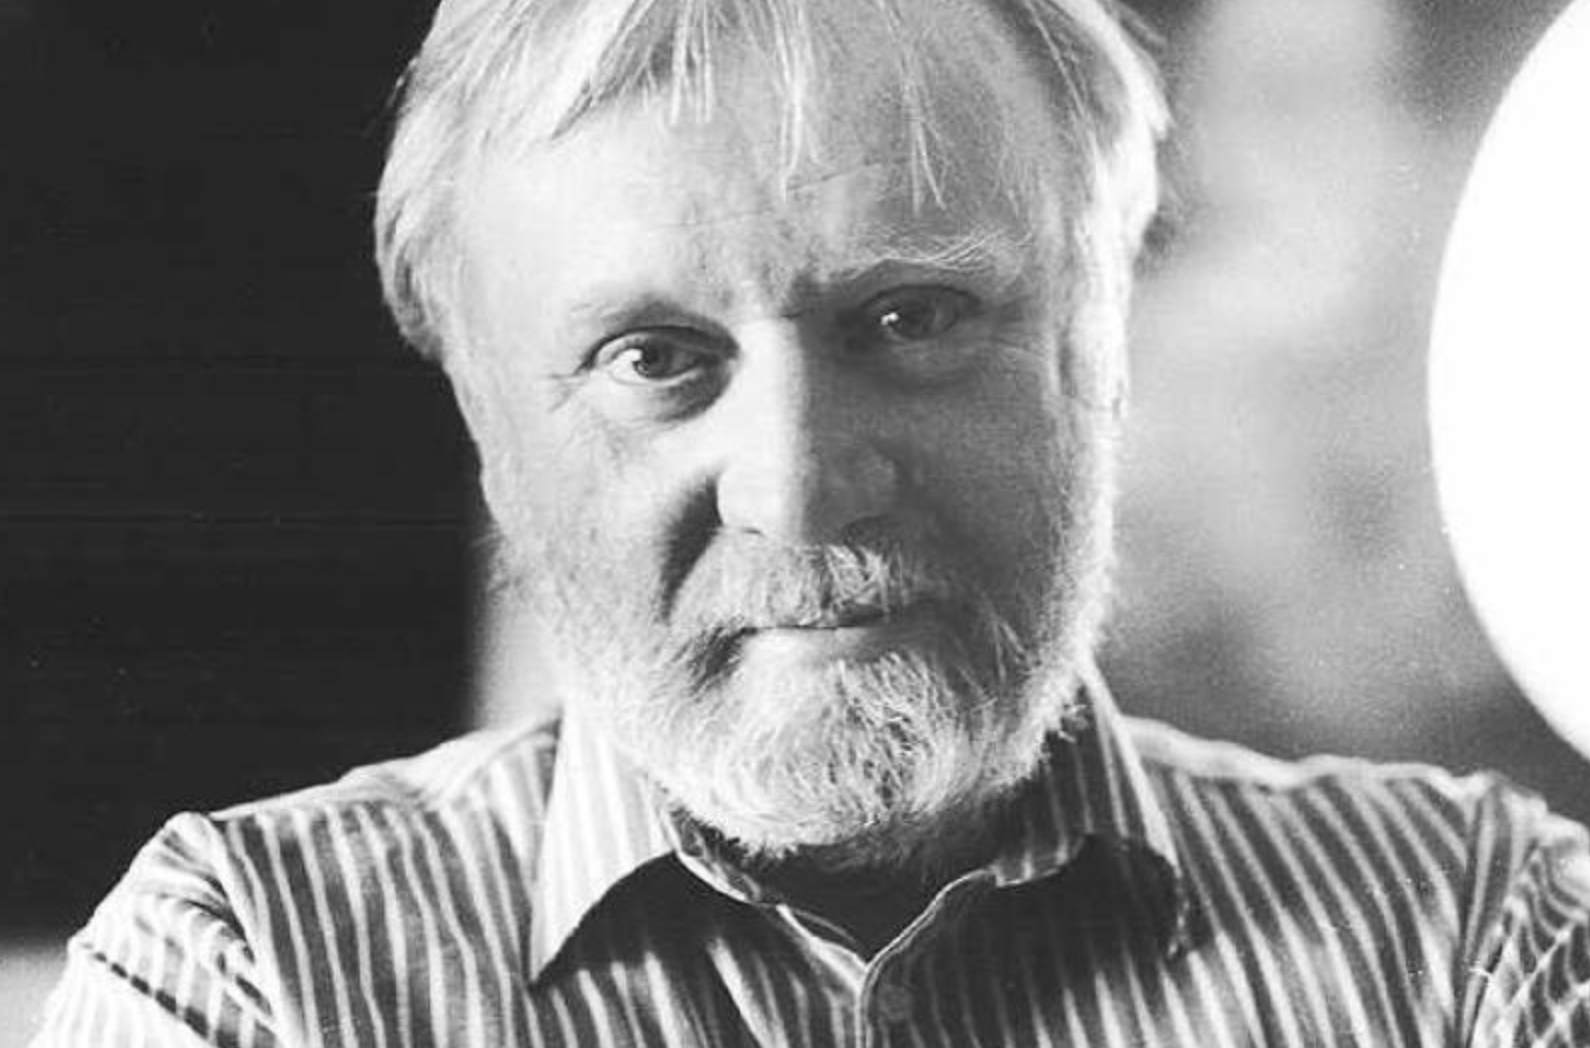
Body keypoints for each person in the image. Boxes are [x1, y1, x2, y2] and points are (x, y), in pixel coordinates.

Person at [30, 0, 1590, 1044]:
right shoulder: (251, 974)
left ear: (1103, 352)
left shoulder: (1470, 934)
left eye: (911, 319)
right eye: (655, 359)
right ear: (492, 432)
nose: (796, 484)